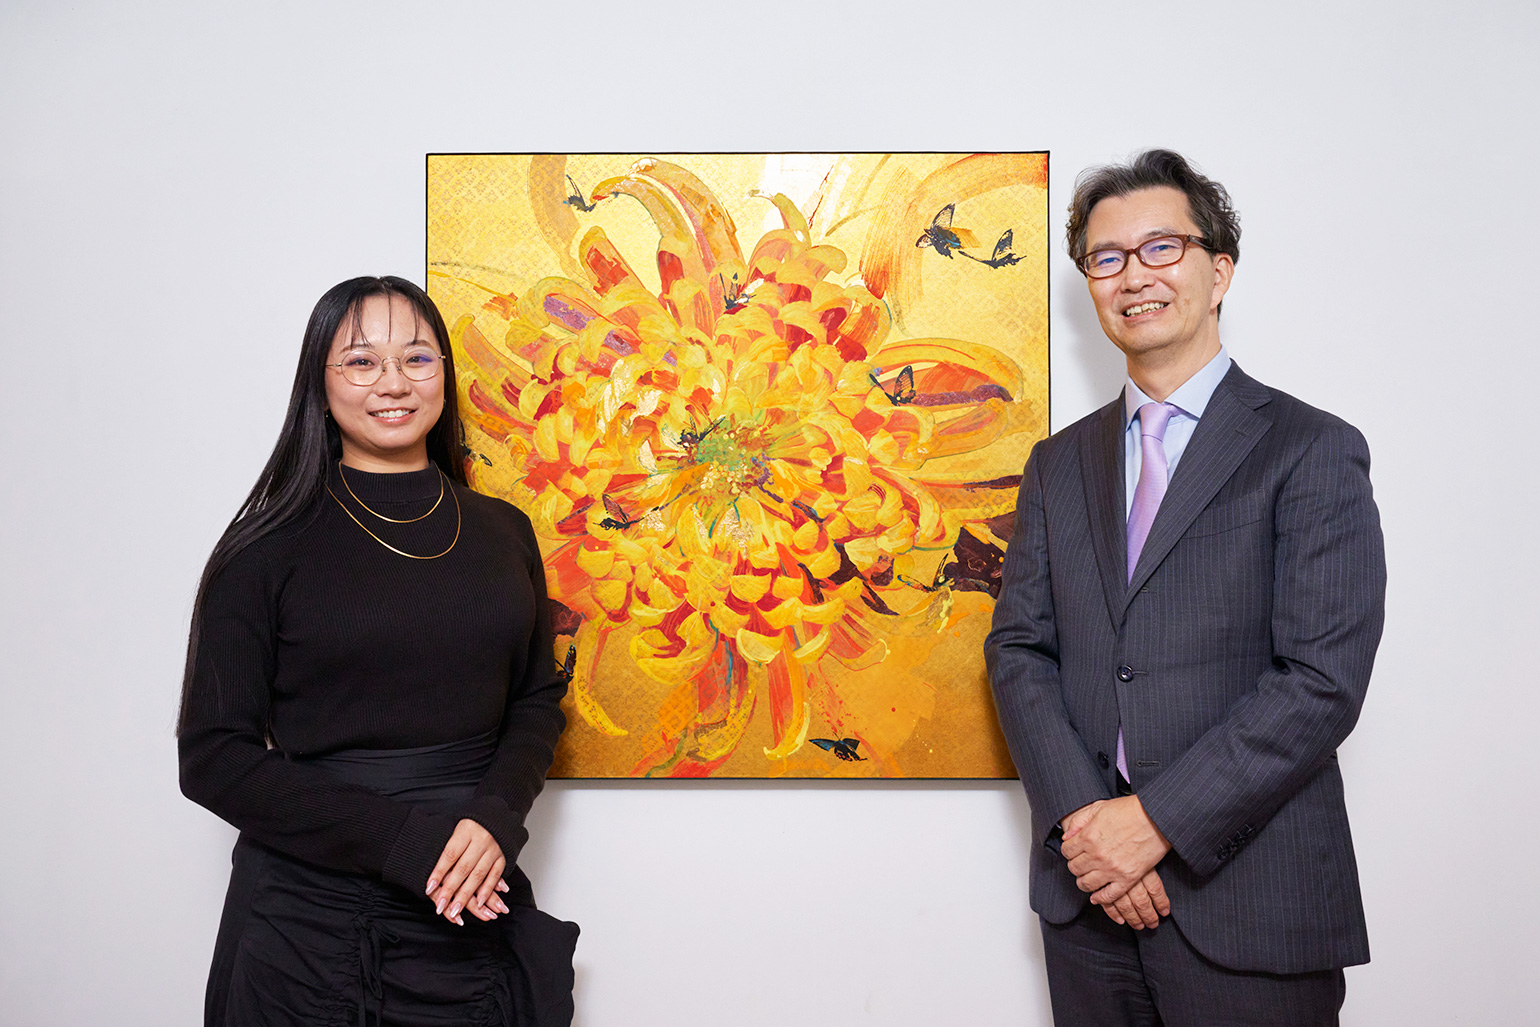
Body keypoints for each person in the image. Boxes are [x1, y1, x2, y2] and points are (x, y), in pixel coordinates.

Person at [984, 151, 1386, 1026]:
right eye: (1107, 257)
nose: (1134, 276)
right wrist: (1092, 827)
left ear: (1220, 272)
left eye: (1162, 247)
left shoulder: (1311, 449)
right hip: (1087, 906)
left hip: (1252, 903)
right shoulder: (1057, 464)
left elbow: (1321, 680)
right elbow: (1018, 650)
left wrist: (1154, 822)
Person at [178, 276, 576, 1026]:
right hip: (308, 926)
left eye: (417, 358)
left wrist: (496, 817)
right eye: (361, 362)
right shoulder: (263, 549)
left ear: (443, 374)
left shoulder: (504, 531)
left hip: (470, 902)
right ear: (319, 382)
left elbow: (536, 698)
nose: (393, 383)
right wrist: (407, 842)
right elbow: (213, 758)